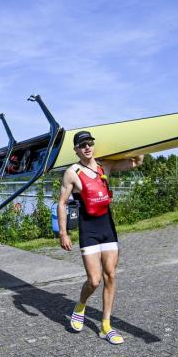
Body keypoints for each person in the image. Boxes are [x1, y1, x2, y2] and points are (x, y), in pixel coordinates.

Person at [57, 130, 143, 345]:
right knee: (94, 280)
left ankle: (106, 326)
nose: (87, 147)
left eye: (90, 144)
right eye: (82, 145)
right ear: (76, 149)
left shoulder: (106, 165)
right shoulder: (72, 172)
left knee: (111, 276)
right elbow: (62, 203)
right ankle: (80, 306)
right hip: (89, 230)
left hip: (108, 227)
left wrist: (142, 146)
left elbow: (135, 163)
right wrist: (63, 233)